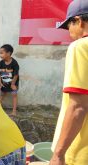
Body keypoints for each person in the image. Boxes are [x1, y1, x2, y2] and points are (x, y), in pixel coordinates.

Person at [50, 0, 88, 164]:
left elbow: (78, 107)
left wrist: (59, 154)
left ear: (79, 21)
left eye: (68, 25)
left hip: (80, 151)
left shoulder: (80, 47)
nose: (68, 31)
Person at [0, 44, 19, 116]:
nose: (0, 55)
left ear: (9, 53)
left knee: (14, 95)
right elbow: (0, 74)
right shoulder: (1, 63)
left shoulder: (14, 63)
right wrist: (0, 83)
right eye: (0, 53)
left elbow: (16, 75)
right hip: (4, 83)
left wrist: (13, 84)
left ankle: (14, 111)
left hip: (13, 83)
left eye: (2, 53)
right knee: (2, 94)